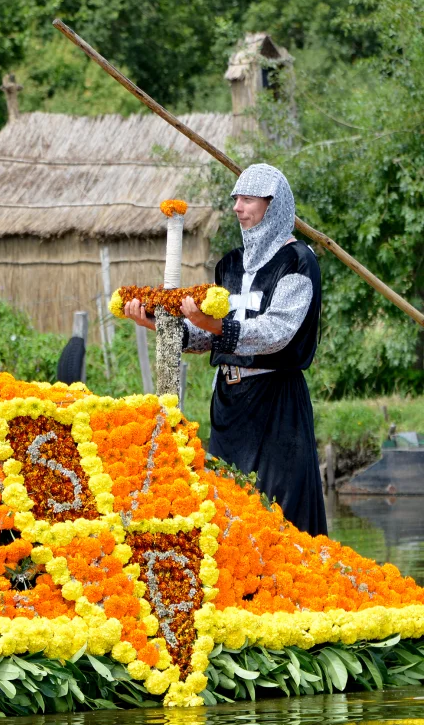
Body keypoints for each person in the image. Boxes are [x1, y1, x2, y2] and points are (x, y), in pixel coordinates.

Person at [124, 163, 327, 537]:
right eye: (236, 198)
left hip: (275, 400)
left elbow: (277, 331)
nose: (237, 207)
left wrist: (216, 326)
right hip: (229, 402)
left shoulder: (299, 261)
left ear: (273, 205)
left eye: (248, 199)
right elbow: (210, 337)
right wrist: (164, 326)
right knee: (229, 506)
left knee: (281, 512)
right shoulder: (229, 265)